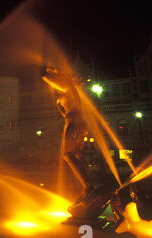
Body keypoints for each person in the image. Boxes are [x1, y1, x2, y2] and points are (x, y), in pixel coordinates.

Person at [41, 66, 109, 218]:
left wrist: (55, 72)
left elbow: (45, 77)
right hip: (75, 122)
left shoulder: (68, 88)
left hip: (74, 122)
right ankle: (87, 188)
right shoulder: (63, 95)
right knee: (76, 155)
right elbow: (63, 113)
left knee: (68, 155)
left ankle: (88, 187)